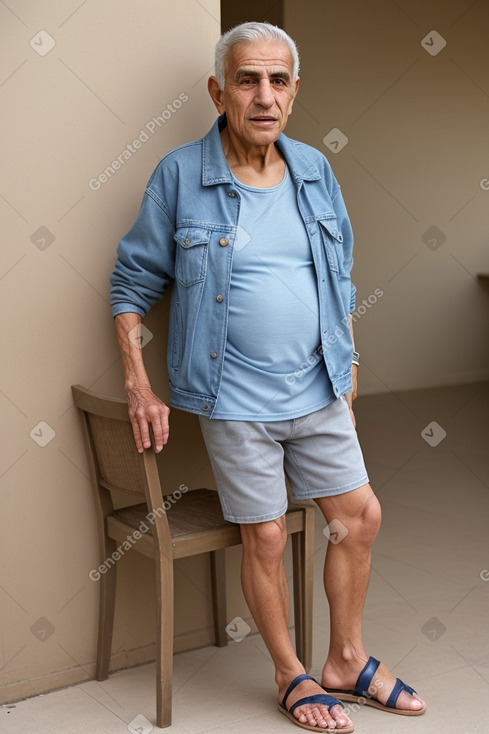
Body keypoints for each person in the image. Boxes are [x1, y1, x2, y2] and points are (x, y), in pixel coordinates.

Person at [110, 21, 426, 732]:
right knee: (267, 538)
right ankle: (291, 674)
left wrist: (345, 365)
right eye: (247, 80)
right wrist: (138, 382)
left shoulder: (315, 168)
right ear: (218, 91)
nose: (263, 95)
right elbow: (130, 284)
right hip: (232, 397)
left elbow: (339, 280)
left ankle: (346, 659)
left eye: (277, 80)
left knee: (358, 518)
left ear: (294, 92)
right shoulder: (180, 176)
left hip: (315, 388)